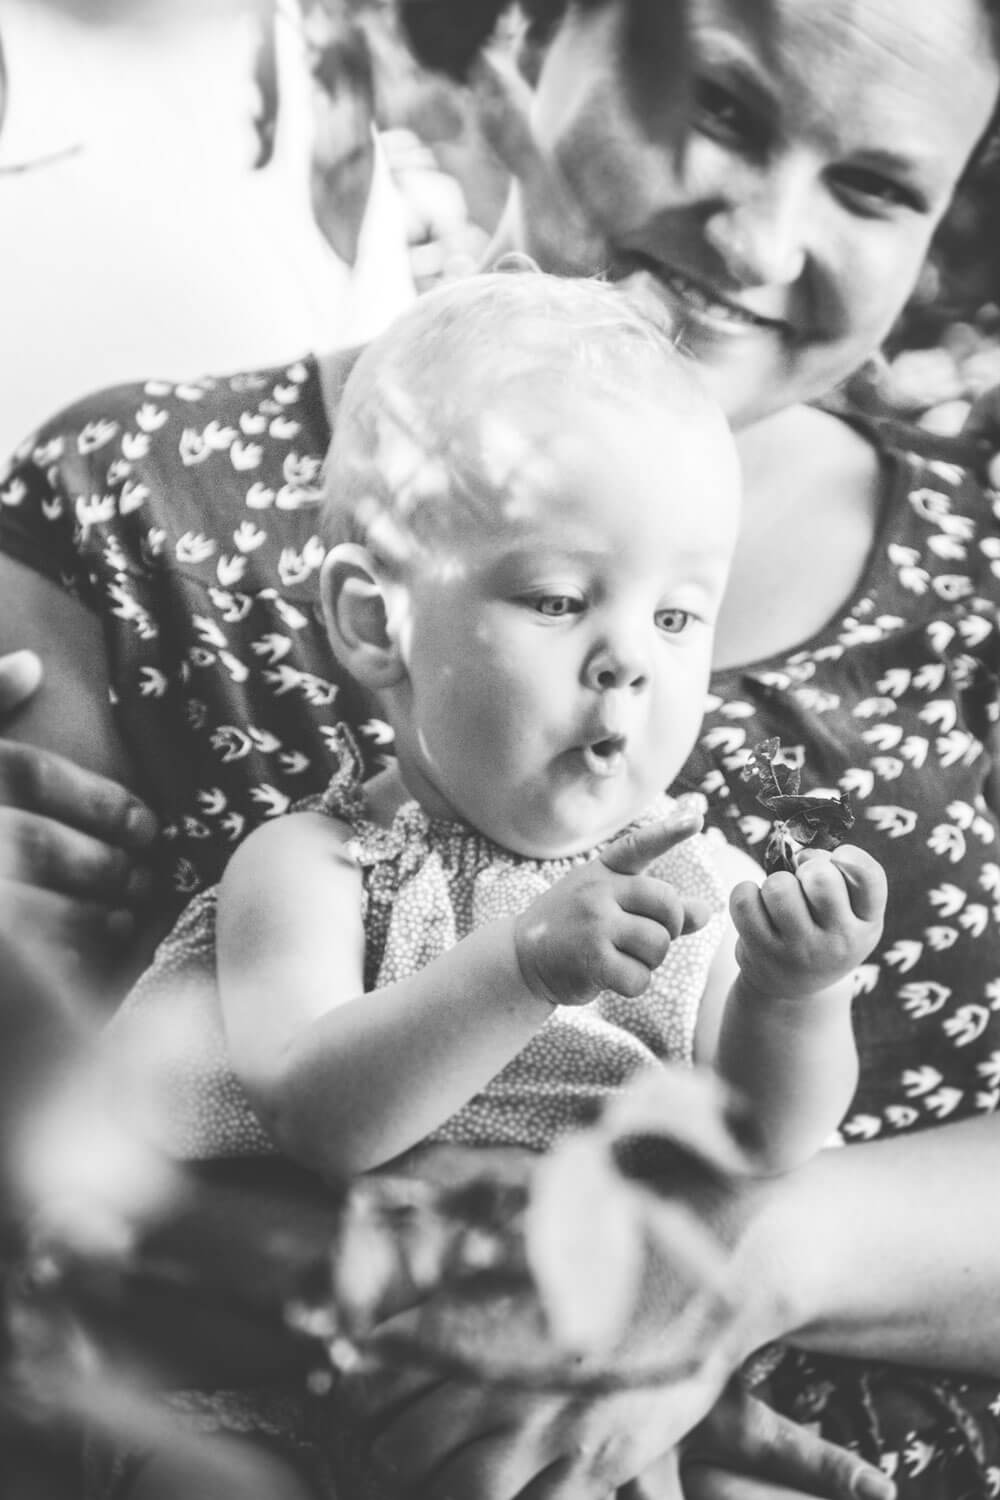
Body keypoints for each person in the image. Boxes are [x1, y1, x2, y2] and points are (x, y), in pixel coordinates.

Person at [2, 0, 1000, 1494]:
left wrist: (722, 1267)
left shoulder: (965, 591)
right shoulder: (133, 505)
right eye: (724, 108)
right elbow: (75, 1132)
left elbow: (764, 1112)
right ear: (540, 35)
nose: (760, 239)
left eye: (873, 187)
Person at [106, 266, 885, 1497]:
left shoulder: (695, 884)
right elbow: (326, 1117)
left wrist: (797, 996)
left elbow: (772, 1139)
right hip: (266, 1391)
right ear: (376, 622)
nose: (627, 657)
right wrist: (519, 967)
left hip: (563, 1390)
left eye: (681, 617)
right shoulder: (315, 867)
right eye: (559, 598)